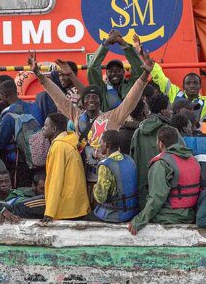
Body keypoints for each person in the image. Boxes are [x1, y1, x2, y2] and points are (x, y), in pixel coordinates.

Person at [30, 52, 149, 189]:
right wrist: (39, 74)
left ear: (100, 101)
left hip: (107, 177)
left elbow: (130, 100)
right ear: (83, 102)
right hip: (82, 176)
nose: (91, 99)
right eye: (88, 97)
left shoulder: (112, 117)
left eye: (95, 97)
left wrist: (144, 76)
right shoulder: (76, 115)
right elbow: (58, 97)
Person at [128, 127, 200, 235]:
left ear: (160, 143)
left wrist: (139, 220)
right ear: (177, 141)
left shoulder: (162, 163)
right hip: (189, 215)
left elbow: (156, 197)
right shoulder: (193, 160)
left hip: (167, 217)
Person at [0, 79, 42, 186]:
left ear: (4, 94)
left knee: (20, 191)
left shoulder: (9, 114)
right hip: (38, 157)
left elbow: (1, 141)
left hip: (18, 161)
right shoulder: (34, 107)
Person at [42, 113, 90, 222]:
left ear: (53, 129)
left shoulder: (59, 146)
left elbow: (56, 180)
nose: (42, 128)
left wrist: (49, 212)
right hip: (77, 205)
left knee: (21, 207)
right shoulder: (68, 142)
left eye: (45, 126)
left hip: (66, 208)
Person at [131, 92, 173, 205]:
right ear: (163, 111)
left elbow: (133, 159)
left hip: (143, 188)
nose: (172, 112)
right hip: (165, 188)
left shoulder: (138, 132)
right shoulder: (170, 131)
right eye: (170, 109)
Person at [87, 29, 145, 110]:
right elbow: (92, 68)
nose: (114, 73)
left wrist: (122, 42)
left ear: (123, 72)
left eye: (118, 70)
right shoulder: (102, 89)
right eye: (110, 71)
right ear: (106, 73)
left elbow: (139, 68)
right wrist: (107, 43)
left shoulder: (132, 85)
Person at [92, 130, 139, 223]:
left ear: (107, 145)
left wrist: (94, 187)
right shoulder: (129, 159)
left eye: (101, 142)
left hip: (114, 214)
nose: (99, 145)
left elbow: (100, 197)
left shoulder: (104, 166)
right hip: (131, 211)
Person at [172, 113, 206, 188]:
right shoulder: (205, 141)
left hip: (180, 193)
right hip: (204, 189)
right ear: (185, 129)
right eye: (190, 126)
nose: (191, 129)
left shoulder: (169, 145)